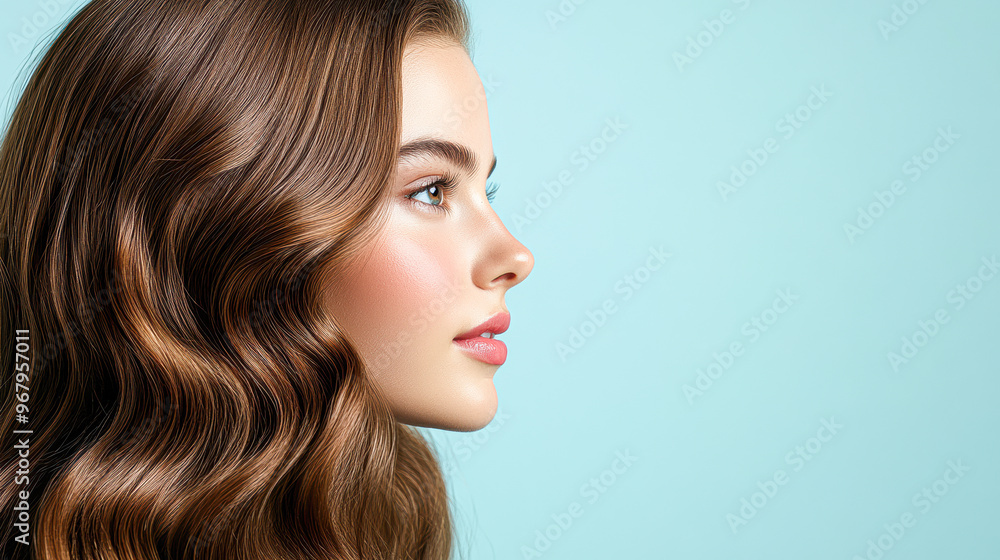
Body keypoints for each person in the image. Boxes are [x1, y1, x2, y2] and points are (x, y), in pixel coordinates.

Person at [0, 0, 533, 558]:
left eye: (485, 190)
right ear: (223, 226)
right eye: (431, 191)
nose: (516, 256)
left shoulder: (387, 512)